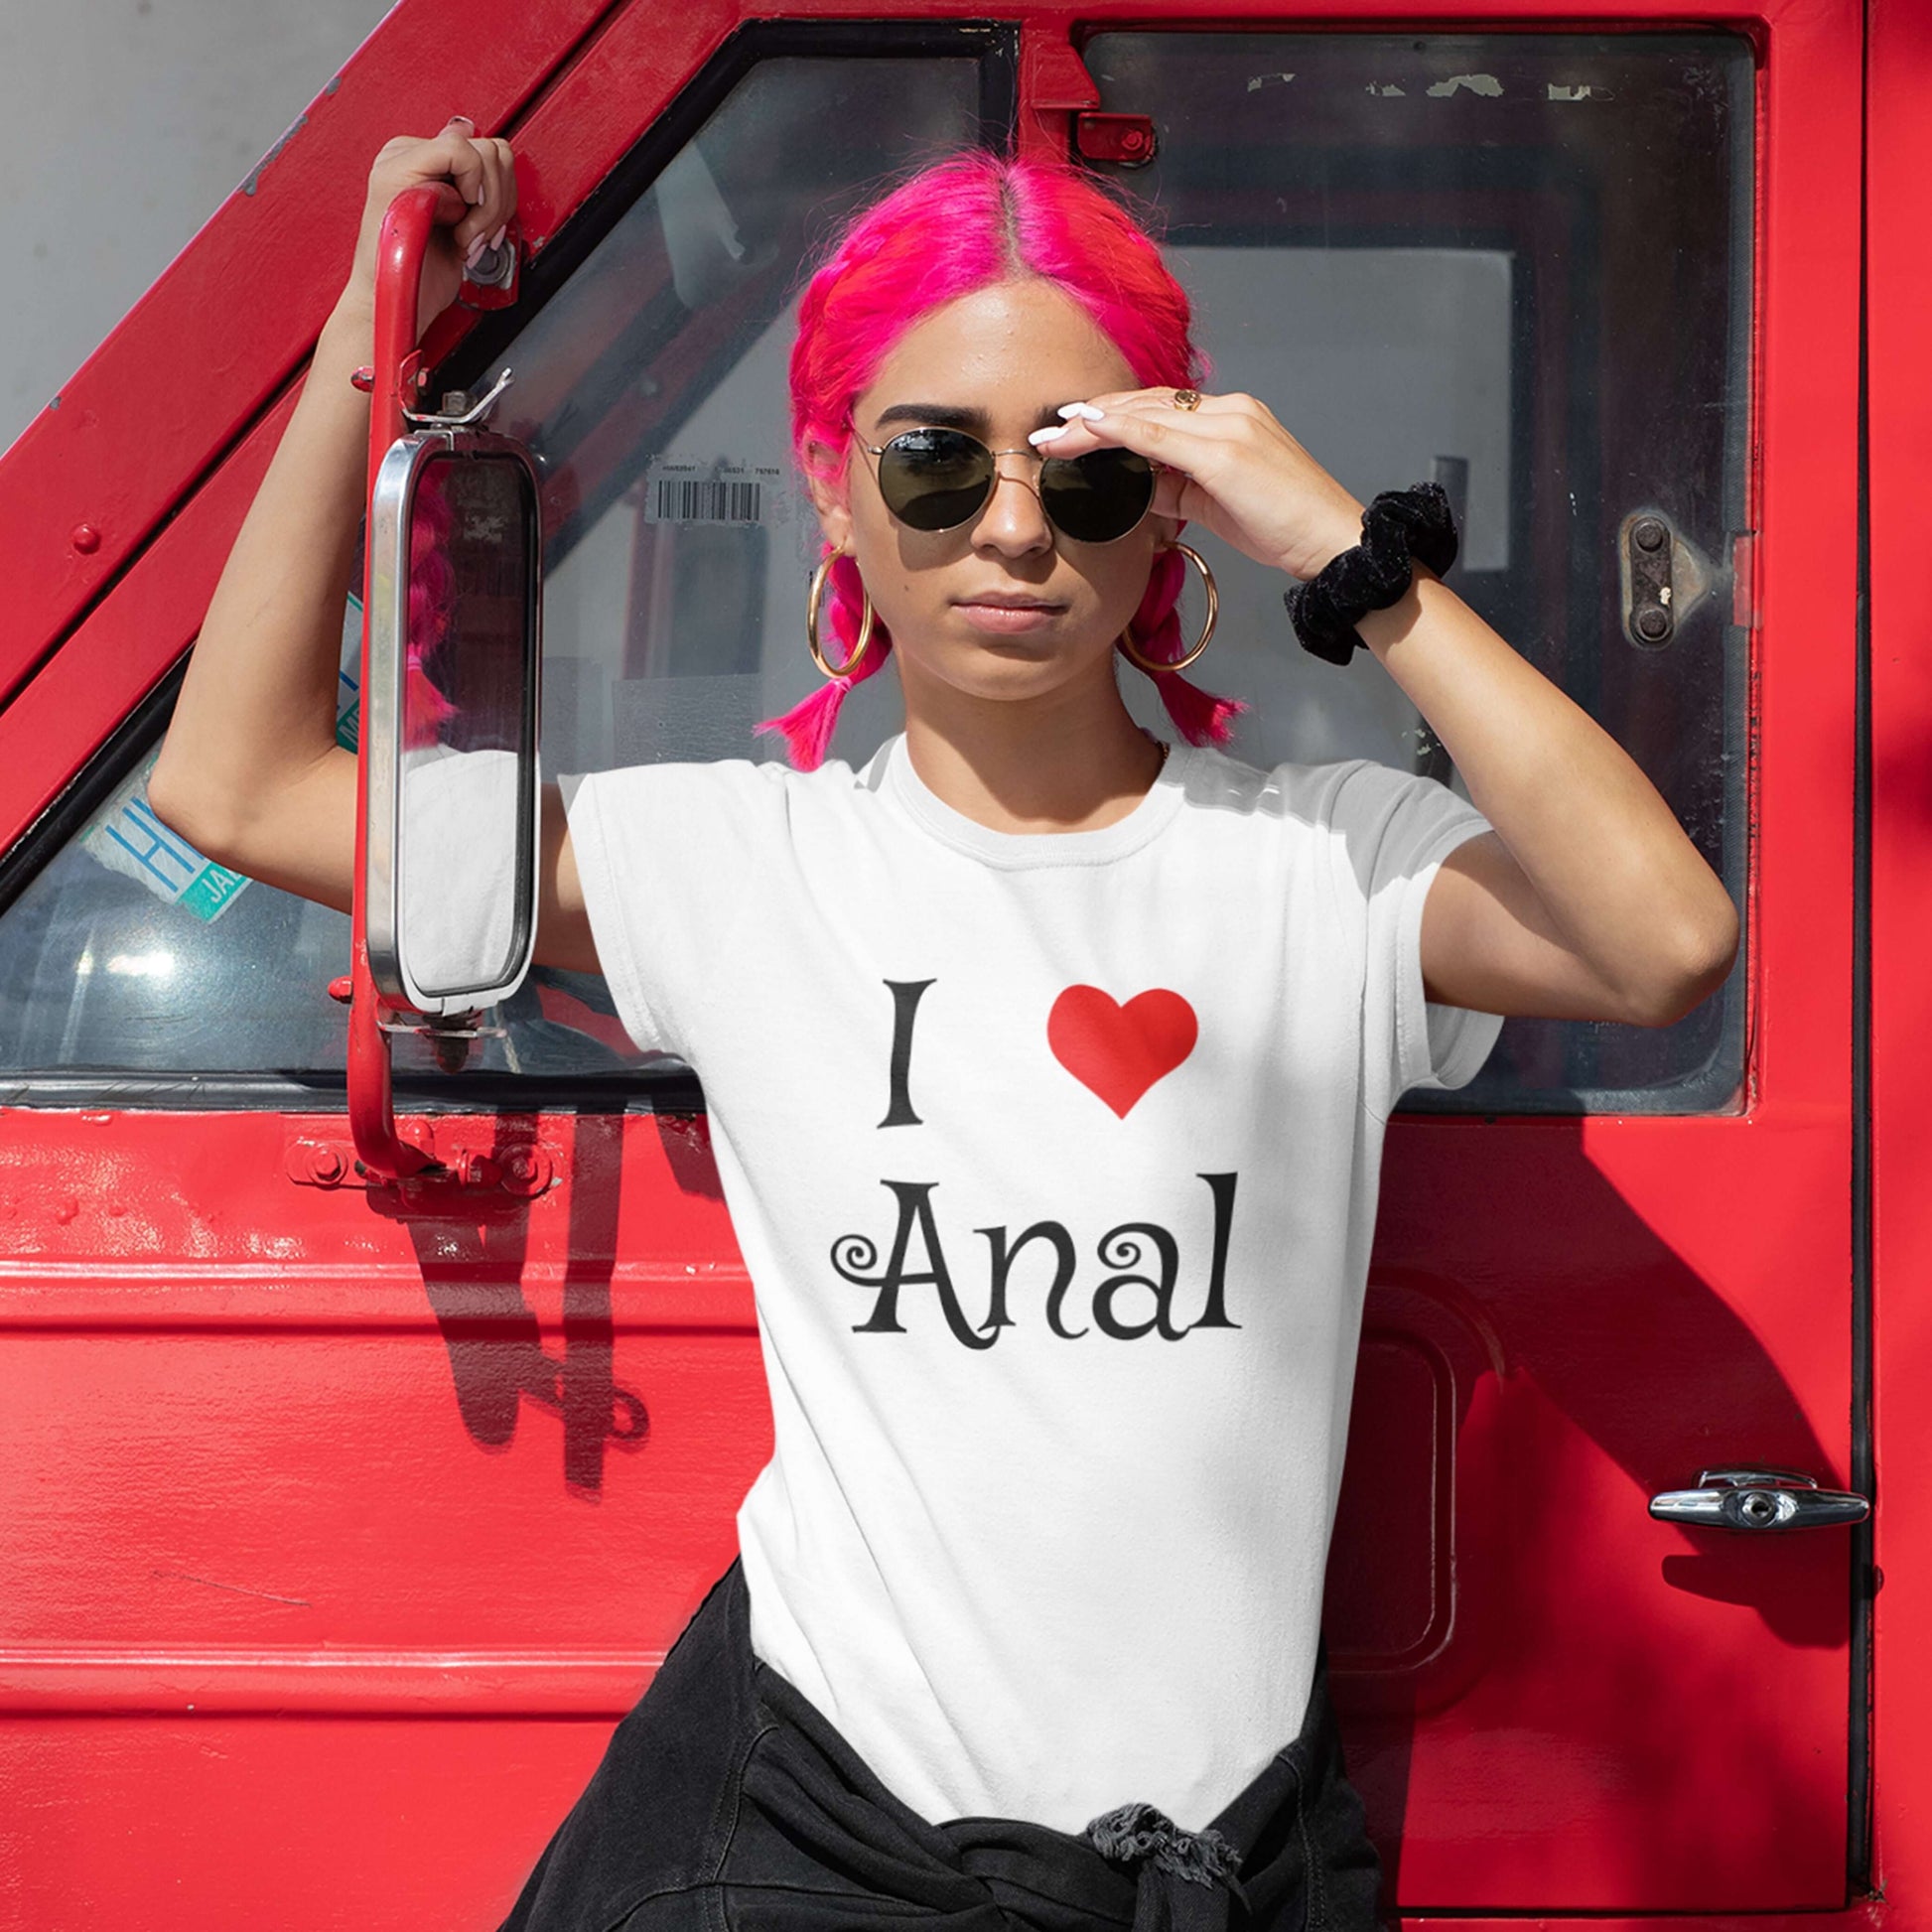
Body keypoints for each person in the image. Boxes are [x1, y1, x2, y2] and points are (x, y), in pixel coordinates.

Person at [147, 121, 1739, 1932]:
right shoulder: (738, 862)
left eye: (1080, 471)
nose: (1008, 528)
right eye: (932, 462)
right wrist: (382, 340)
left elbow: (1663, 940)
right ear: (828, 486)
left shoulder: (1329, 865)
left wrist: (1341, 551)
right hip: (830, 1851)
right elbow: (238, 778)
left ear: (1169, 499)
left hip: (1226, 1866)